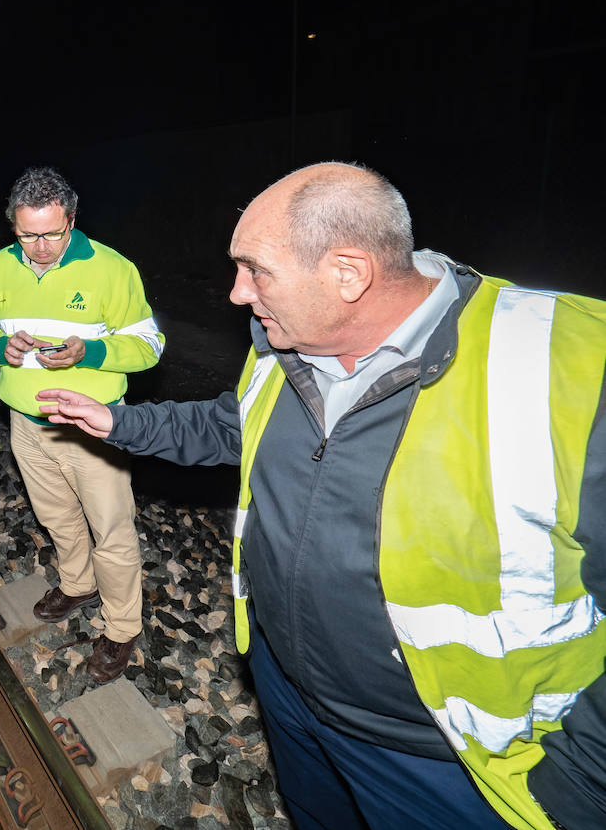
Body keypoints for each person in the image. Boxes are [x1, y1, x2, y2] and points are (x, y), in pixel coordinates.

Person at [39, 162, 606, 830]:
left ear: (348, 272)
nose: (236, 293)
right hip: (290, 695)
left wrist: (579, 782)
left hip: (446, 758)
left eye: (255, 270)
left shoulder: (565, 364)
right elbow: (235, 423)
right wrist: (121, 423)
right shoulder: (290, 347)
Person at [0, 166, 164, 684]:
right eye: (29, 234)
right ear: (13, 226)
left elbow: (149, 346)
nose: (42, 246)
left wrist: (90, 352)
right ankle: (77, 584)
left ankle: (122, 627)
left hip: (91, 427)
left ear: (71, 220)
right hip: (26, 422)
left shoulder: (111, 269)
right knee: (56, 516)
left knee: (111, 529)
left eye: (53, 232)